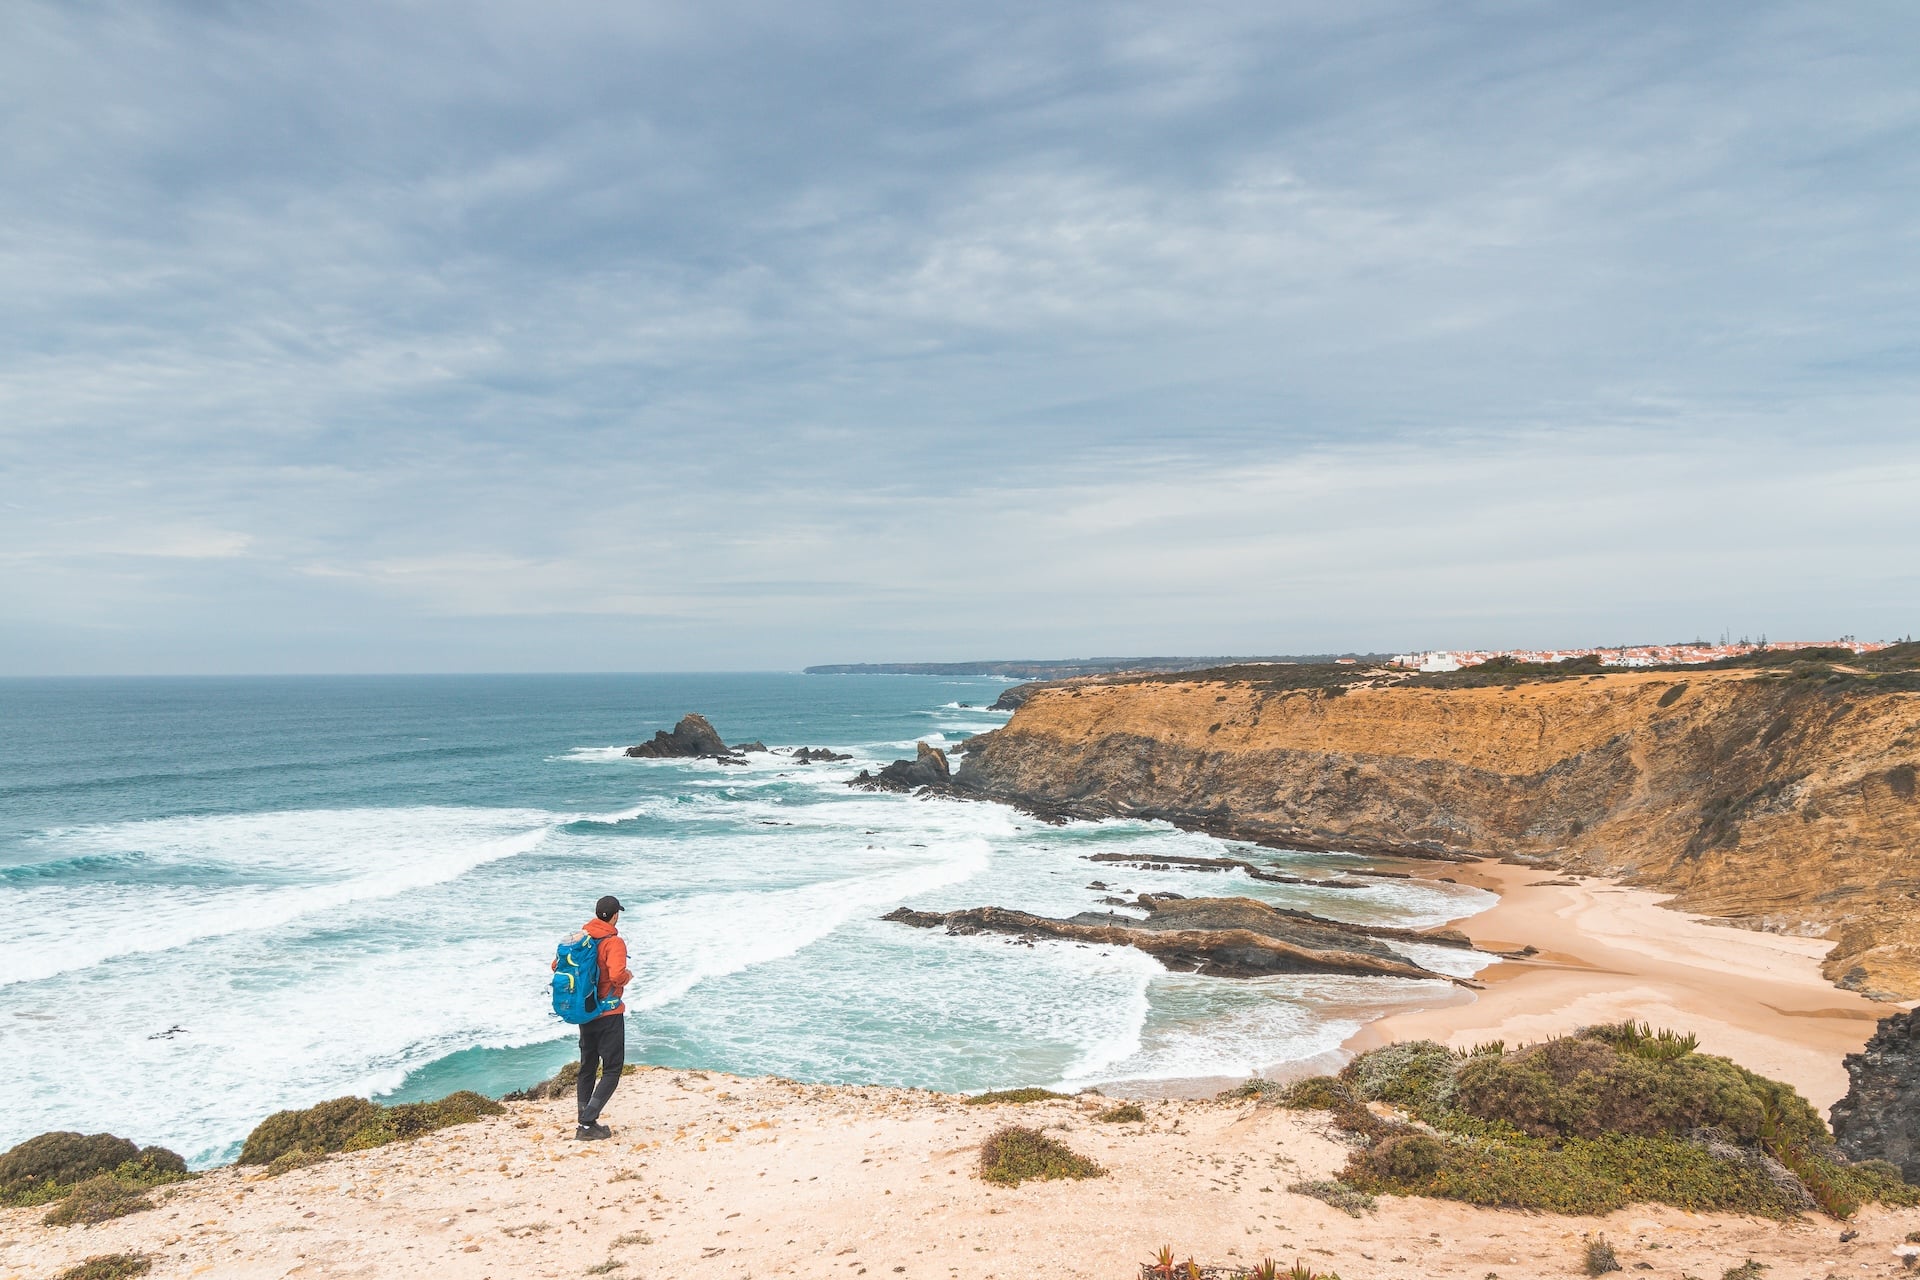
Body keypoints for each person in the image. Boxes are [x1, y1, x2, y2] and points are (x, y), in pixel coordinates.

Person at [567, 894, 631, 1140]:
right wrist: (628, 976)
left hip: (585, 1011)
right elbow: (616, 976)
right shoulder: (614, 943)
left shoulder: (581, 938)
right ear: (615, 916)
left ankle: (584, 1123)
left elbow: (556, 965)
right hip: (608, 1013)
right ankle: (587, 1122)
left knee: (588, 1066)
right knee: (612, 1069)